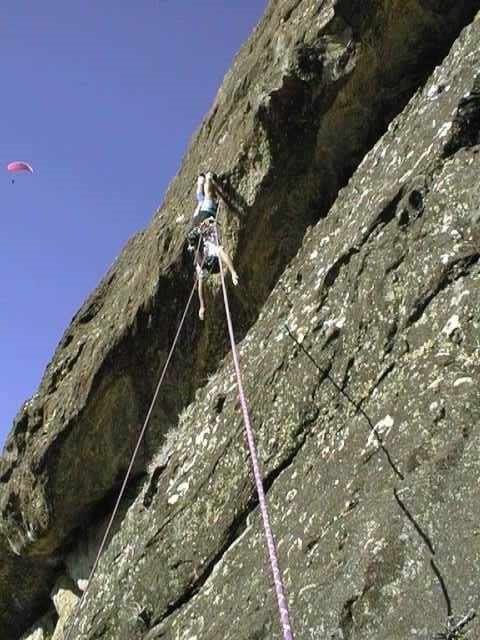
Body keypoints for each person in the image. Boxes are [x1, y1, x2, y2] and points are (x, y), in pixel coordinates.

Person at [195, 218, 239, 320]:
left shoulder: (210, 242)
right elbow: (199, 287)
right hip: (208, 261)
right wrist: (202, 306)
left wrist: (232, 272)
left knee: (220, 251)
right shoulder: (200, 266)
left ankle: (232, 272)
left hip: (212, 254)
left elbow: (213, 220)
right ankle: (231, 272)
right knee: (218, 252)